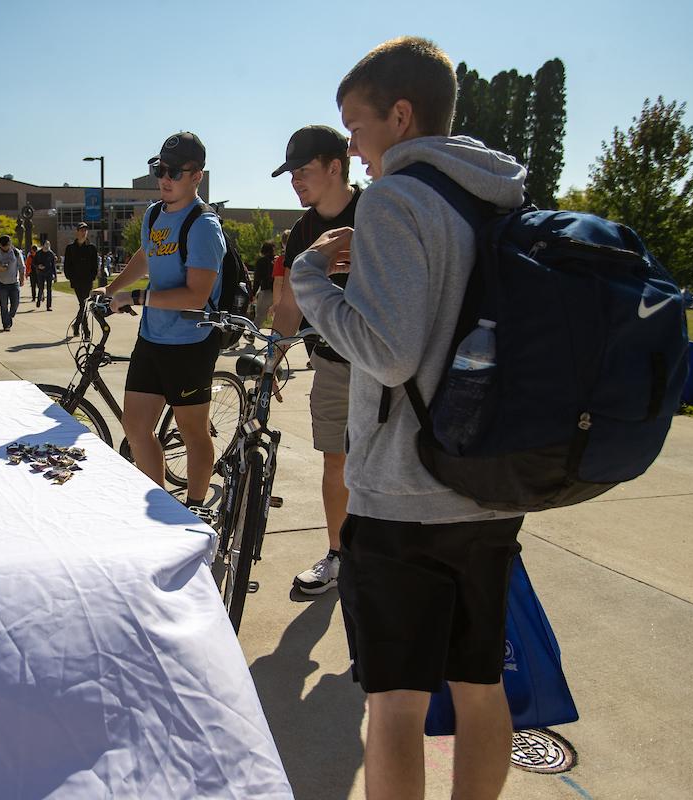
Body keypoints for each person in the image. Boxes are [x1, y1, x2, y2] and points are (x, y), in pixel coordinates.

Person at [291, 37, 527, 800]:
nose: (355, 150)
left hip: (403, 493)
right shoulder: (495, 195)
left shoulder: (396, 197)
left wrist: (313, 283)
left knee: (396, 700)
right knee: (480, 684)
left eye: (356, 130)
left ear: (401, 114)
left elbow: (387, 355)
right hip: (489, 483)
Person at [96, 132, 225, 509]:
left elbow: (196, 295)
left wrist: (135, 297)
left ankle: (197, 509)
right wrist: (110, 288)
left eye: (175, 172)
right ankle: (159, 503)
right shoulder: (154, 214)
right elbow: (146, 255)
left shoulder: (203, 226)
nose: (165, 178)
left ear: (197, 175)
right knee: (135, 426)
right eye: (159, 169)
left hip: (190, 344)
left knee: (193, 435)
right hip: (153, 338)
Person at [268, 125, 362, 597]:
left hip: (383, 368)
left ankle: (382, 560)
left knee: (387, 467)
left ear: (335, 166)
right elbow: (289, 307)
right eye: (291, 173)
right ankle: (338, 555)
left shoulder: (378, 211)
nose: (295, 181)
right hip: (330, 362)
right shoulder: (303, 231)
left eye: (303, 171)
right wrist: (271, 359)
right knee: (335, 460)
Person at [63, 222, 99, 338]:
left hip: (88, 281)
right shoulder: (70, 248)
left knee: (83, 305)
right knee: (83, 304)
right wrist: (70, 277)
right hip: (76, 281)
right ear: (77, 232)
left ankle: (78, 326)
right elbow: (67, 265)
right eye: (81, 230)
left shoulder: (91, 248)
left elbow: (95, 264)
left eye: (85, 230)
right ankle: (84, 330)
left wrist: (93, 276)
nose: (83, 232)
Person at [0, 234, 25, 331]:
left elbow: (21, 266)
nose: (5, 248)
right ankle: (6, 324)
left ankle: (10, 316)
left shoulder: (16, 252)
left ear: (10, 244)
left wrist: (22, 277)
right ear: (0, 245)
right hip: (1, 283)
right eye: (3, 246)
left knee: (15, 304)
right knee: (3, 305)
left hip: (14, 283)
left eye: (7, 245)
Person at [251, 241, 275, 328]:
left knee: (260, 315)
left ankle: (252, 334)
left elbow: (257, 279)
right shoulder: (277, 260)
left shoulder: (261, 262)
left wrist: (253, 293)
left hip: (266, 291)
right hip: (278, 292)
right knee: (277, 317)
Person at [33, 240, 57, 311]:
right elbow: (34, 263)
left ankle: (48, 306)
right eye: (46, 244)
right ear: (43, 245)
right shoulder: (38, 253)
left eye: (48, 245)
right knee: (41, 288)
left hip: (49, 273)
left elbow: (53, 265)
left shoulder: (51, 254)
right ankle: (38, 300)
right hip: (40, 273)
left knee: (49, 290)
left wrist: (55, 276)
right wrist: (38, 266)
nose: (47, 246)